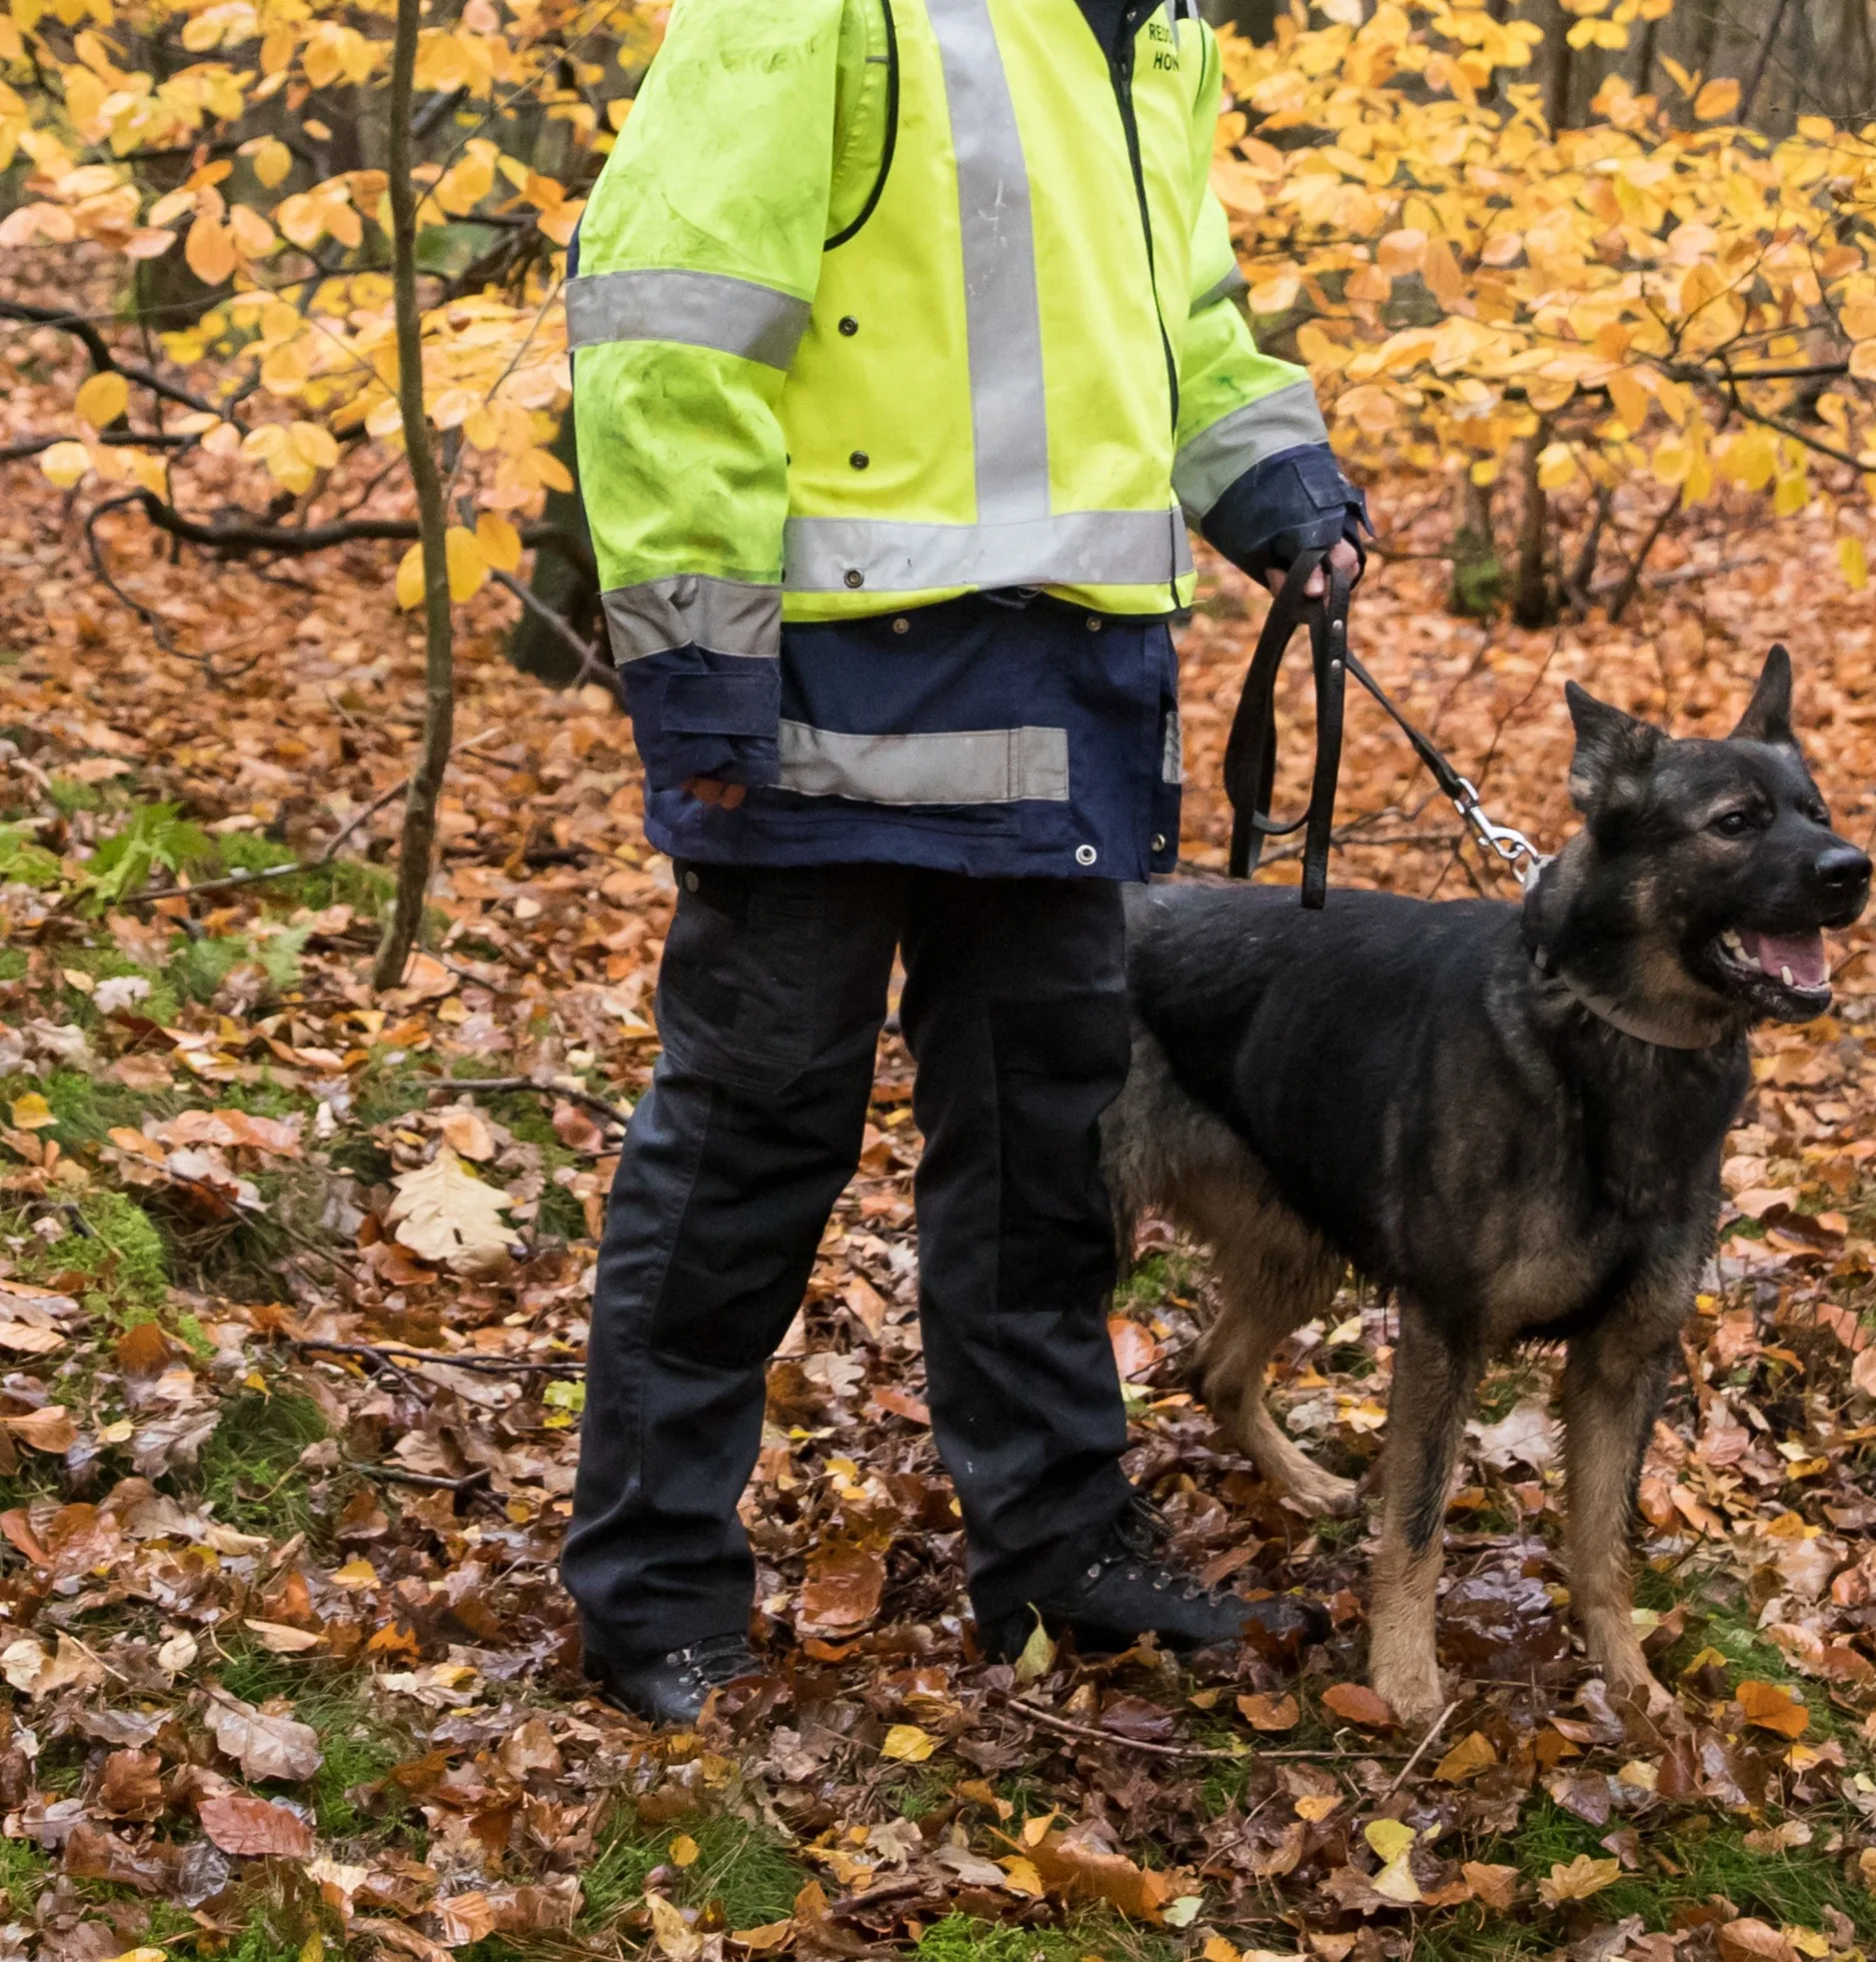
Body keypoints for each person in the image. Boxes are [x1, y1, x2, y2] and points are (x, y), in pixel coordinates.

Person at [557, 0, 1363, 1725]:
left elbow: (1184, 331)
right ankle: (652, 1590)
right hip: (826, 677)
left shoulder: (1154, 39)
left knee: (1048, 1143)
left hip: (1068, 684)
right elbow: (665, 328)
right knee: (756, 1136)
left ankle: (1064, 1549)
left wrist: (1280, 479)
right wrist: (696, 668)